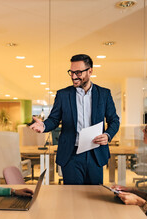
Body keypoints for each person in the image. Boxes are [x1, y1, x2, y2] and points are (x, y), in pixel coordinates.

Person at [29, 54, 120, 185]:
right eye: (71, 72)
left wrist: (108, 135)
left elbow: (114, 120)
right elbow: (54, 119)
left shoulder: (104, 94)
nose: (73, 76)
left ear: (90, 71)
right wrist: (44, 126)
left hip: (95, 154)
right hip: (71, 155)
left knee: (94, 196)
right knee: (72, 196)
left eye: (78, 72)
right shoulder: (63, 95)